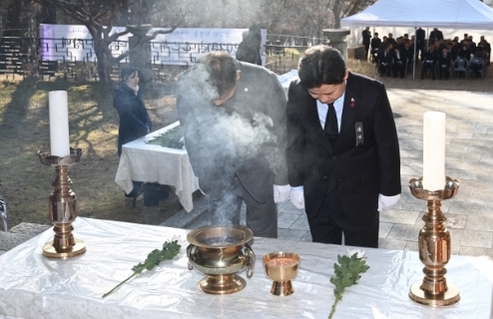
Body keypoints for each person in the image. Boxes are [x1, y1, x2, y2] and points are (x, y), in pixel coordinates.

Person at [286, 45, 401, 248]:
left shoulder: (371, 92)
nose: (323, 99)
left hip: (360, 192)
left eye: (330, 93)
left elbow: (387, 142)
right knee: (322, 256)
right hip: (318, 191)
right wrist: (295, 184)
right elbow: (294, 140)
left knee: (363, 258)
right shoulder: (297, 90)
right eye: (315, 94)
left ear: (345, 76)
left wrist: (389, 189)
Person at [176, 51, 288, 238]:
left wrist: (282, 179)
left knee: (263, 236)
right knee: (223, 236)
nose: (218, 102)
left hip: (260, 173)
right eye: (213, 99)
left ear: (237, 76)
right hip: (218, 173)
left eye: (223, 97)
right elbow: (190, 132)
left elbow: (281, 130)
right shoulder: (188, 83)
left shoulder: (265, 80)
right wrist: (202, 172)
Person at [113, 66, 152, 199]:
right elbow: (126, 115)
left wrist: (148, 124)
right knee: (131, 163)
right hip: (129, 134)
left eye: (137, 76)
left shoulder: (137, 91)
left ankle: (140, 188)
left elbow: (143, 110)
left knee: (141, 161)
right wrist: (141, 128)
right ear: (125, 79)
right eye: (133, 77)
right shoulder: (120, 93)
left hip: (140, 132)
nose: (137, 79)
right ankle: (131, 194)